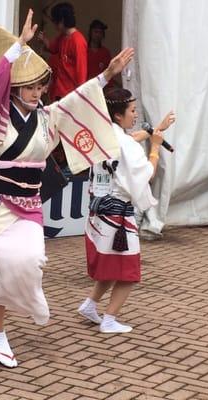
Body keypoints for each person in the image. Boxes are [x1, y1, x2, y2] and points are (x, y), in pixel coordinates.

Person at [0, 9, 134, 367]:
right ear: (15, 88)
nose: (39, 92)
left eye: (42, 86)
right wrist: (19, 47)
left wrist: (107, 74)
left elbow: (78, 100)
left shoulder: (47, 116)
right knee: (0, 265)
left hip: (29, 204)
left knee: (30, 261)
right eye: (32, 86)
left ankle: (28, 298)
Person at [78, 87, 175, 333]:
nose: (135, 115)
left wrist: (156, 130)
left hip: (100, 211)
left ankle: (90, 305)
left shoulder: (103, 133)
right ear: (119, 116)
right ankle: (109, 319)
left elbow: (128, 140)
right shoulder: (125, 144)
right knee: (129, 271)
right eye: (132, 111)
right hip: (117, 215)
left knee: (113, 265)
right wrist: (155, 148)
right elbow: (147, 174)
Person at [38, 2, 87, 101]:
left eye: (55, 21)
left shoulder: (78, 41)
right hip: (59, 92)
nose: (54, 25)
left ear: (62, 21)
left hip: (71, 95)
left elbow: (81, 72)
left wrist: (80, 97)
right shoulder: (62, 37)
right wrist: (44, 39)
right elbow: (52, 48)